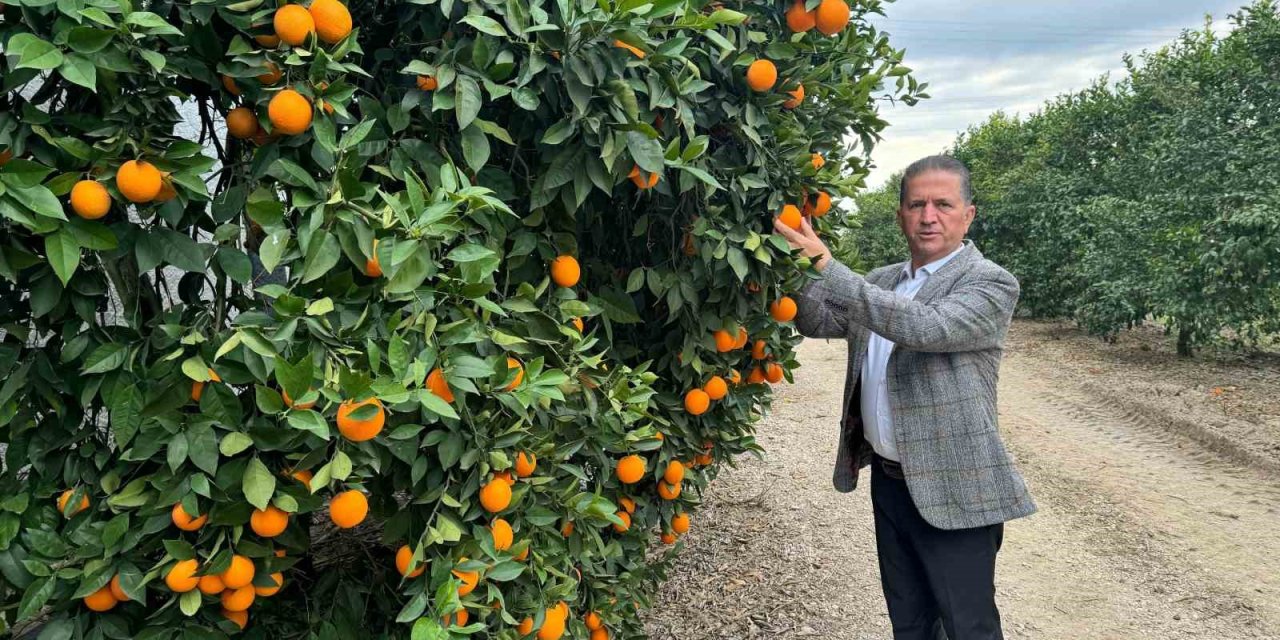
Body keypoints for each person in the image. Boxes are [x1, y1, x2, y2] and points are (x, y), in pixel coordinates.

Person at [773, 155, 1035, 640]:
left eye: (942, 204)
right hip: (892, 483)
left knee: (969, 626)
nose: (928, 216)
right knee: (910, 623)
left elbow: (924, 327)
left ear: (968, 214)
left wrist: (827, 265)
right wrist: (789, 259)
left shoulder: (990, 283)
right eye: (916, 204)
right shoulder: (882, 281)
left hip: (953, 481)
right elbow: (816, 320)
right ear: (900, 215)